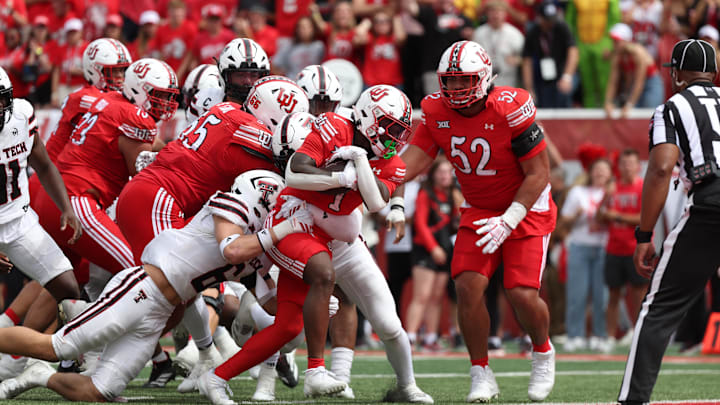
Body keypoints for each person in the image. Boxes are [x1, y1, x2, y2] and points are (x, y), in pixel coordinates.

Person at [0, 170, 312, 402]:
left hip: (160, 312)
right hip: (141, 288)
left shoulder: (255, 249)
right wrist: (281, 231)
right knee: (60, 347)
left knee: (101, 390)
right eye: (273, 207)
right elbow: (232, 249)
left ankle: (41, 376)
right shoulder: (227, 207)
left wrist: (311, 295)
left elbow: (272, 304)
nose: (276, 215)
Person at [198, 85, 414, 403]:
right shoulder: (334, 126)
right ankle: (313, 370)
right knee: (322, 276)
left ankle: (215, 377)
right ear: (368, 118)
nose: (395, 138)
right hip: (295, 222)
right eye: (391, 128)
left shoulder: (389, 160)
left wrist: (359, 161)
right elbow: (295, 173)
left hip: (331, 236)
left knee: (287, 328)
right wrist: (341, 178)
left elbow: (376, 201)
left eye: (400, 130)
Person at [398, 40, 556, 402]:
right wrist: (375, 174)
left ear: (484, 78)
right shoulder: (435, 109)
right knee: (467, 286)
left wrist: (510, 219)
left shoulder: (510, 107)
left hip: (526, 208)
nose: (454, 89)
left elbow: (539, 173)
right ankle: (480, 371)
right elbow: (415, 160)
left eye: (464, 80)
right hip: (479, 209)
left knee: (520, 293)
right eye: (449, 81)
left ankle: (543, 351)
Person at [618, 39, 720, 405]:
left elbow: (662, 168)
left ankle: (633, 400)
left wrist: (644, 234)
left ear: (676, 73)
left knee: (658, 309)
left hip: (711, 204)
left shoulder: (672, 107)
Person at [32, 58, 178, 281]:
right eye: (161, 95)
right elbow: (141, 178)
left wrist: (174, 148)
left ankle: (12, 318)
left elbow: (142, 141)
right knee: (141, 276)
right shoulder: (136, 119)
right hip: (77, 201)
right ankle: (90, 316)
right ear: (141, 91)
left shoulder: (112, 99)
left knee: (66, 285)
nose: (167, 102)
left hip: (53, 197)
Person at [405, 158, 460, 350]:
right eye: (441, 172)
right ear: (434, 174)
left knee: (437, 297)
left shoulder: (452, 195)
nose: (445, 176)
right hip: (425, 249)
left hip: (445, 250)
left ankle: (430, 337)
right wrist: (433, 248)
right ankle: (410, 337)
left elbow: (458, 219)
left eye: (448, 172)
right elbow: (420, 224)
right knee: (422, 295)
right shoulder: (425, 193)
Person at [558, 158, 611, 352]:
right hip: (580, 245)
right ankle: (575, 334)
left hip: (604, 247)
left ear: (610, 174)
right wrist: (576, 215)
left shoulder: (611, 192)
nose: (600, 174)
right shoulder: (577, 192)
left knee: (601, 295)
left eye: (604, 170)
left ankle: (600, 335)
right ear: (590, 172)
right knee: (576, 294)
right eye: (597, 169)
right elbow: (563, 221)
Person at [597, 149, 646, 351]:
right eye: (623, 163)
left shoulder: (643, 187)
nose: (626, 167)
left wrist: (617, 216)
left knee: (639, 294)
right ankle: (610, 336)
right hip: (613, 248)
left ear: (638, 166)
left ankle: (639, 334)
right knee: (613, 294)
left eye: (630, 163)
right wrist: (604, 200)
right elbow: (599, 217)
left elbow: (645, 218)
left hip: (635, 248)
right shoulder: (612, 188)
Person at [522, 2, 578, 108]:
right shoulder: (533, 32)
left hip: (564, 70)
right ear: (540, 18)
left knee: (563, 93)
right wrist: (529, 89)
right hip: (544, 74)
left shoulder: (562, 27)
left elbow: (573, 51)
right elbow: (527, 61)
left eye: (552, 19)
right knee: (544, 100)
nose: (550, 23)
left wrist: (567, 76)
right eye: (547, 20)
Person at [566, 0, 621, 108]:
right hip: (582, 44)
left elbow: (615, 18)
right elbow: (569, 21)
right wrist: (574, 43)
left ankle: (606, 109)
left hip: (602, 43)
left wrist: (608, 42)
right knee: (587, 85)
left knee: (604, 82)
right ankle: (589, 114)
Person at [604, 23, 664, 119]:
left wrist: (629, 104)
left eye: (617, 41)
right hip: (634, 85)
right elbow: (613, 82)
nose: (613, 44)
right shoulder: (618, 56)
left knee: (649, 114)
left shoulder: (638, 53)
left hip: (651, 84)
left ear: (625, 41)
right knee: (629, 113)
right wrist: (608, 102)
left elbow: (639, 81)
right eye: (613, 41)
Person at [472, 0, 525, 88]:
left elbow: (525, 58)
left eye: (499, 11)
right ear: (487, 13)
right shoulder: (479, 33)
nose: (496, 15)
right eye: (492, 11)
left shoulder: (514, 34)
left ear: (505, 13)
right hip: (484, 82)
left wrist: (517, 59)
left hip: (507, 81)